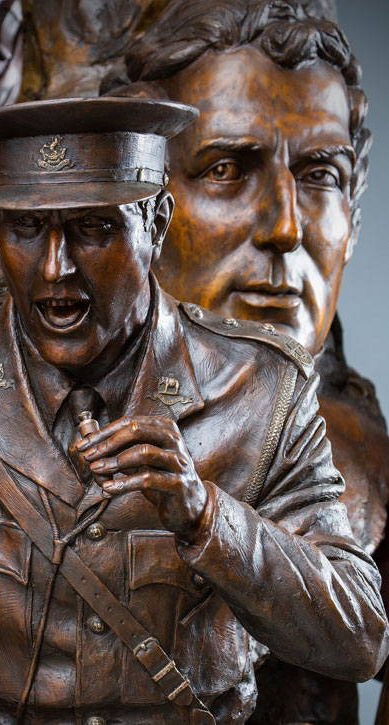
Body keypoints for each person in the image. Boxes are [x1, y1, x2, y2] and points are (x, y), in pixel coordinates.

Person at [0, 97, 388, 725]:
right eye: (27, 229)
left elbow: (360, 634)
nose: (56, 270)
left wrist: (207, 520)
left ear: (156, 223)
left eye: (93, 228)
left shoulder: (261, 392)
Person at [106, 2, 389, 720]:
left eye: (320, 173)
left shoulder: (370, 471)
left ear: (353, 221)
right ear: (135, 201)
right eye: (226, 168)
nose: (285, 227)